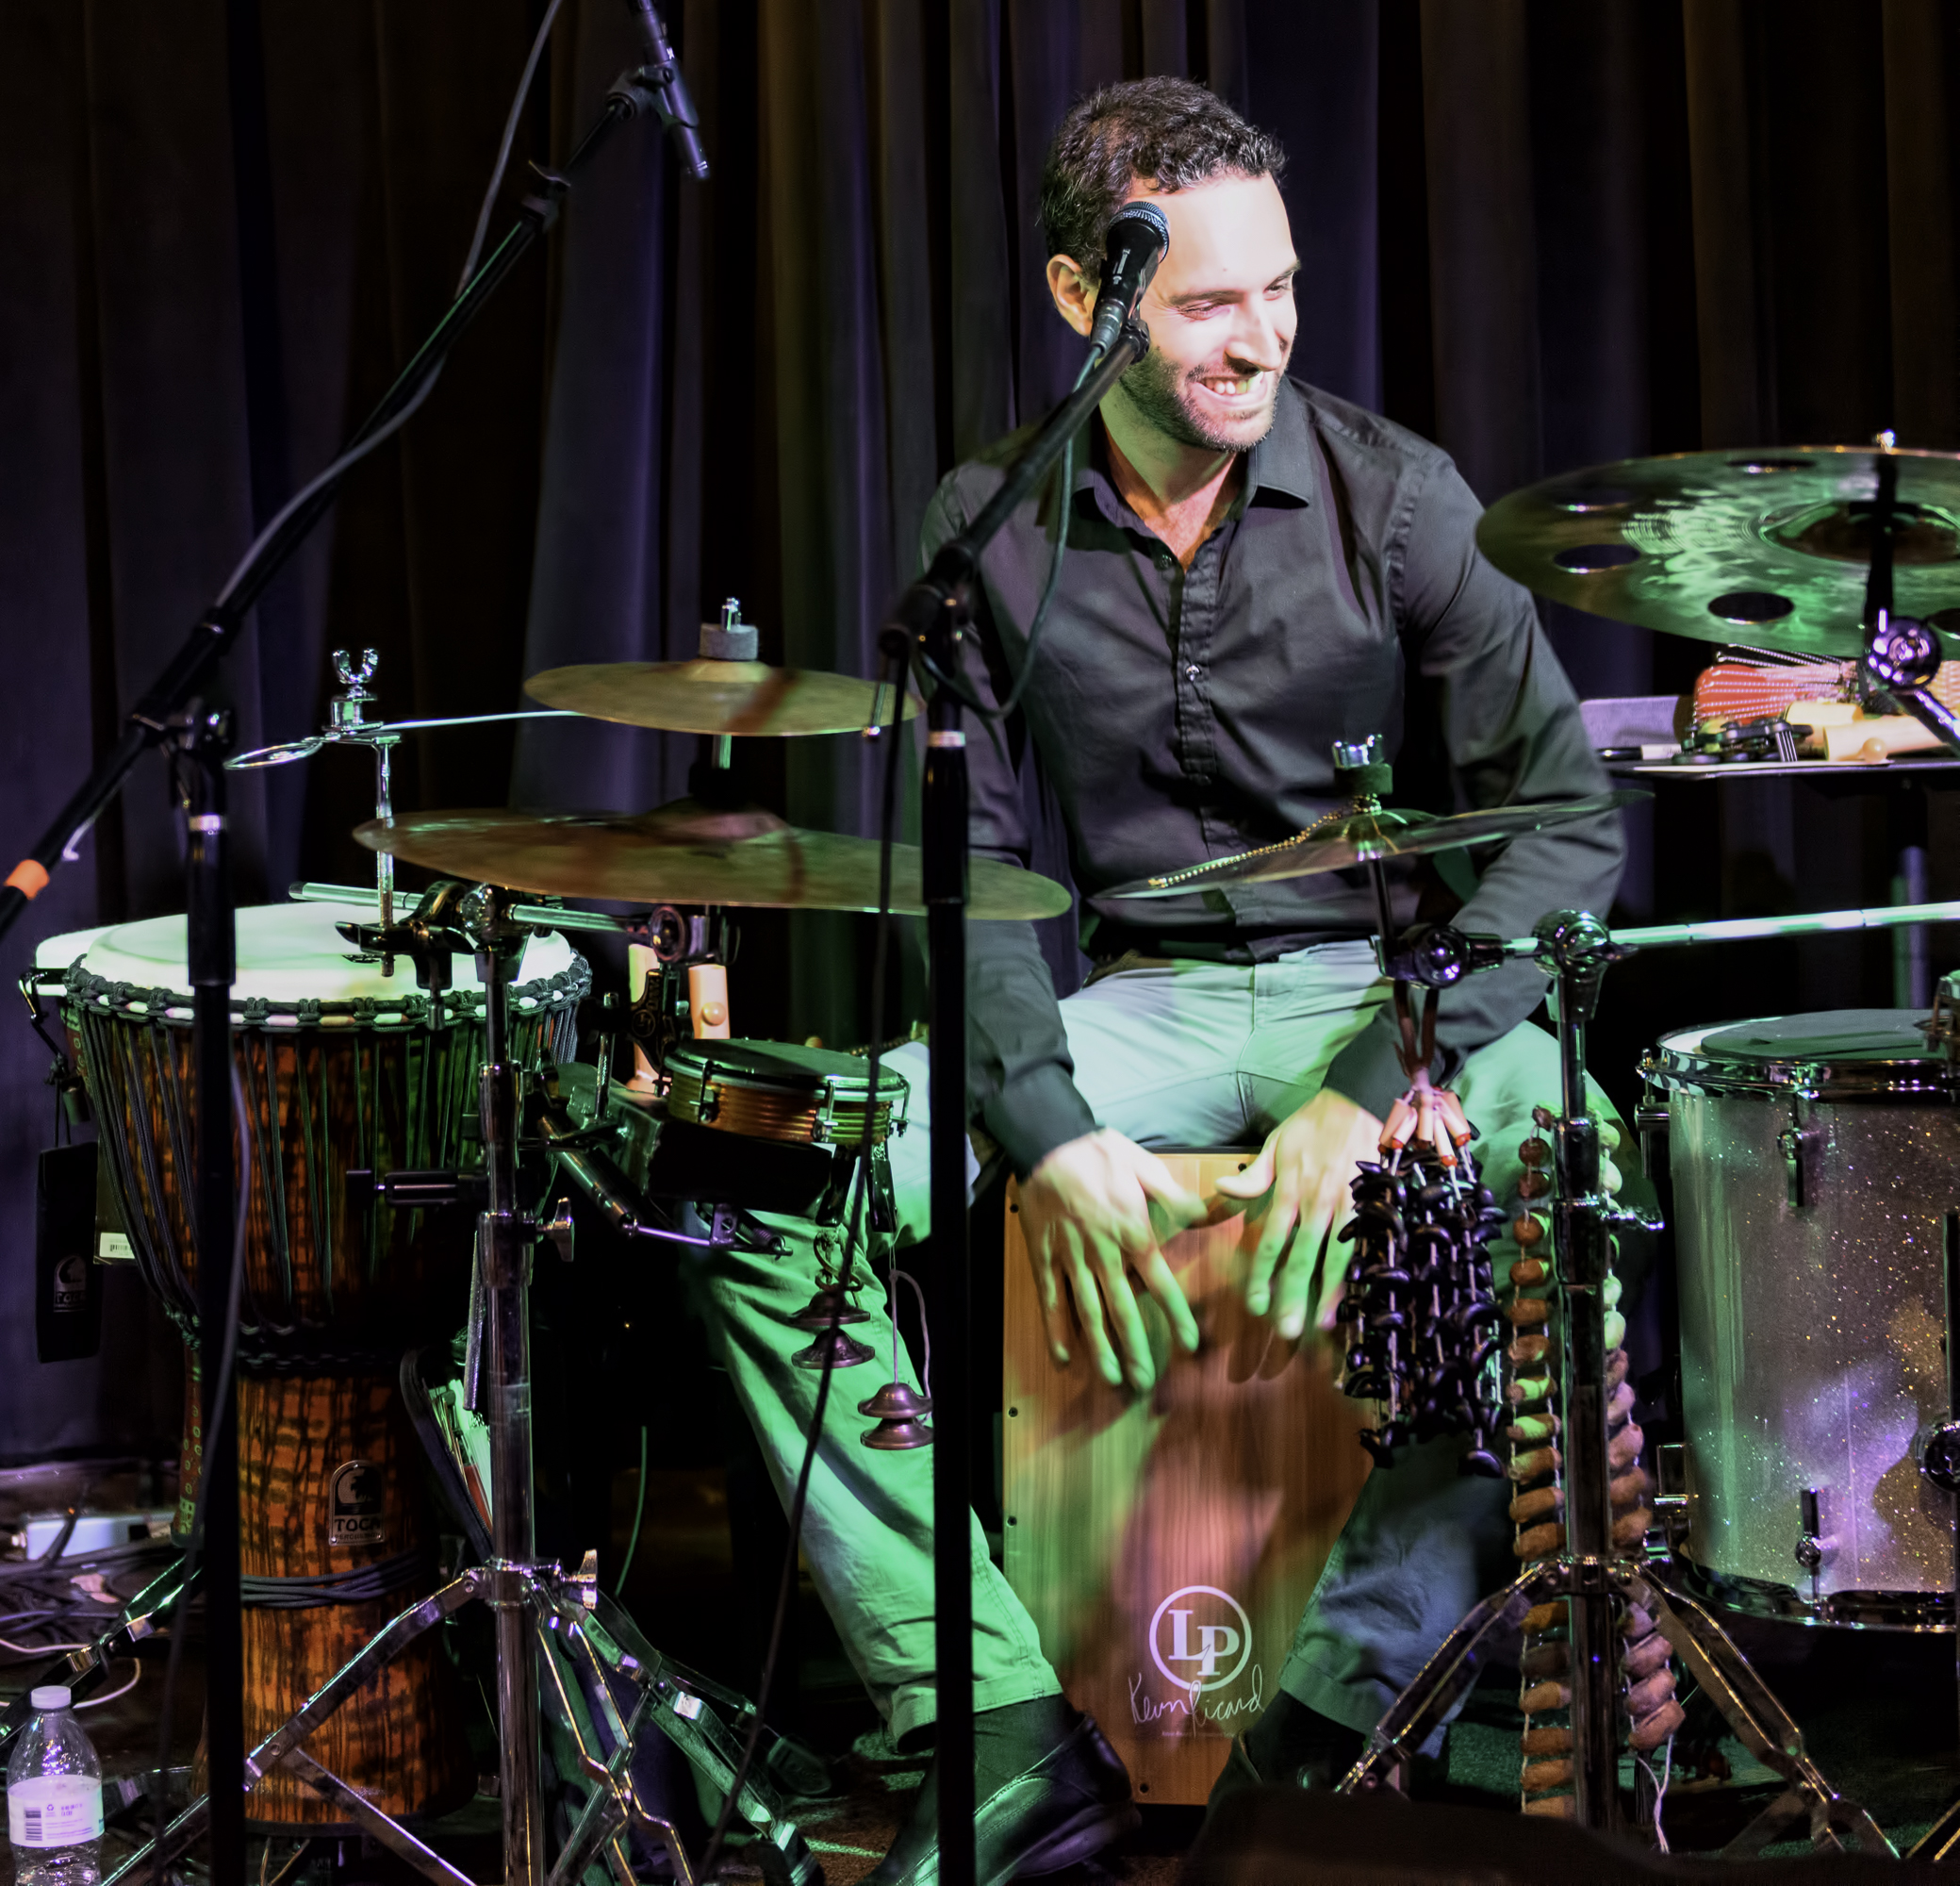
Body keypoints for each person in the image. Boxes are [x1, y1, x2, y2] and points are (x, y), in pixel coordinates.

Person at [684, 75, 1624, 1885]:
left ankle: (1345, 1718)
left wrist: (1375, 1084)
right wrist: (1037, 1125)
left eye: (1278, 286)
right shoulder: (993, 532)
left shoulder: (1401, 498)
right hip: (1143, 1003)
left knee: (1575, 1176)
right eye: (1207, 300)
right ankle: (998, 1728)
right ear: (1082, 298)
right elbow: (962, 871)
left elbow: (1567, 819)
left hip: (1394, 991)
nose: (1259, 334)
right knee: (757, 1199)